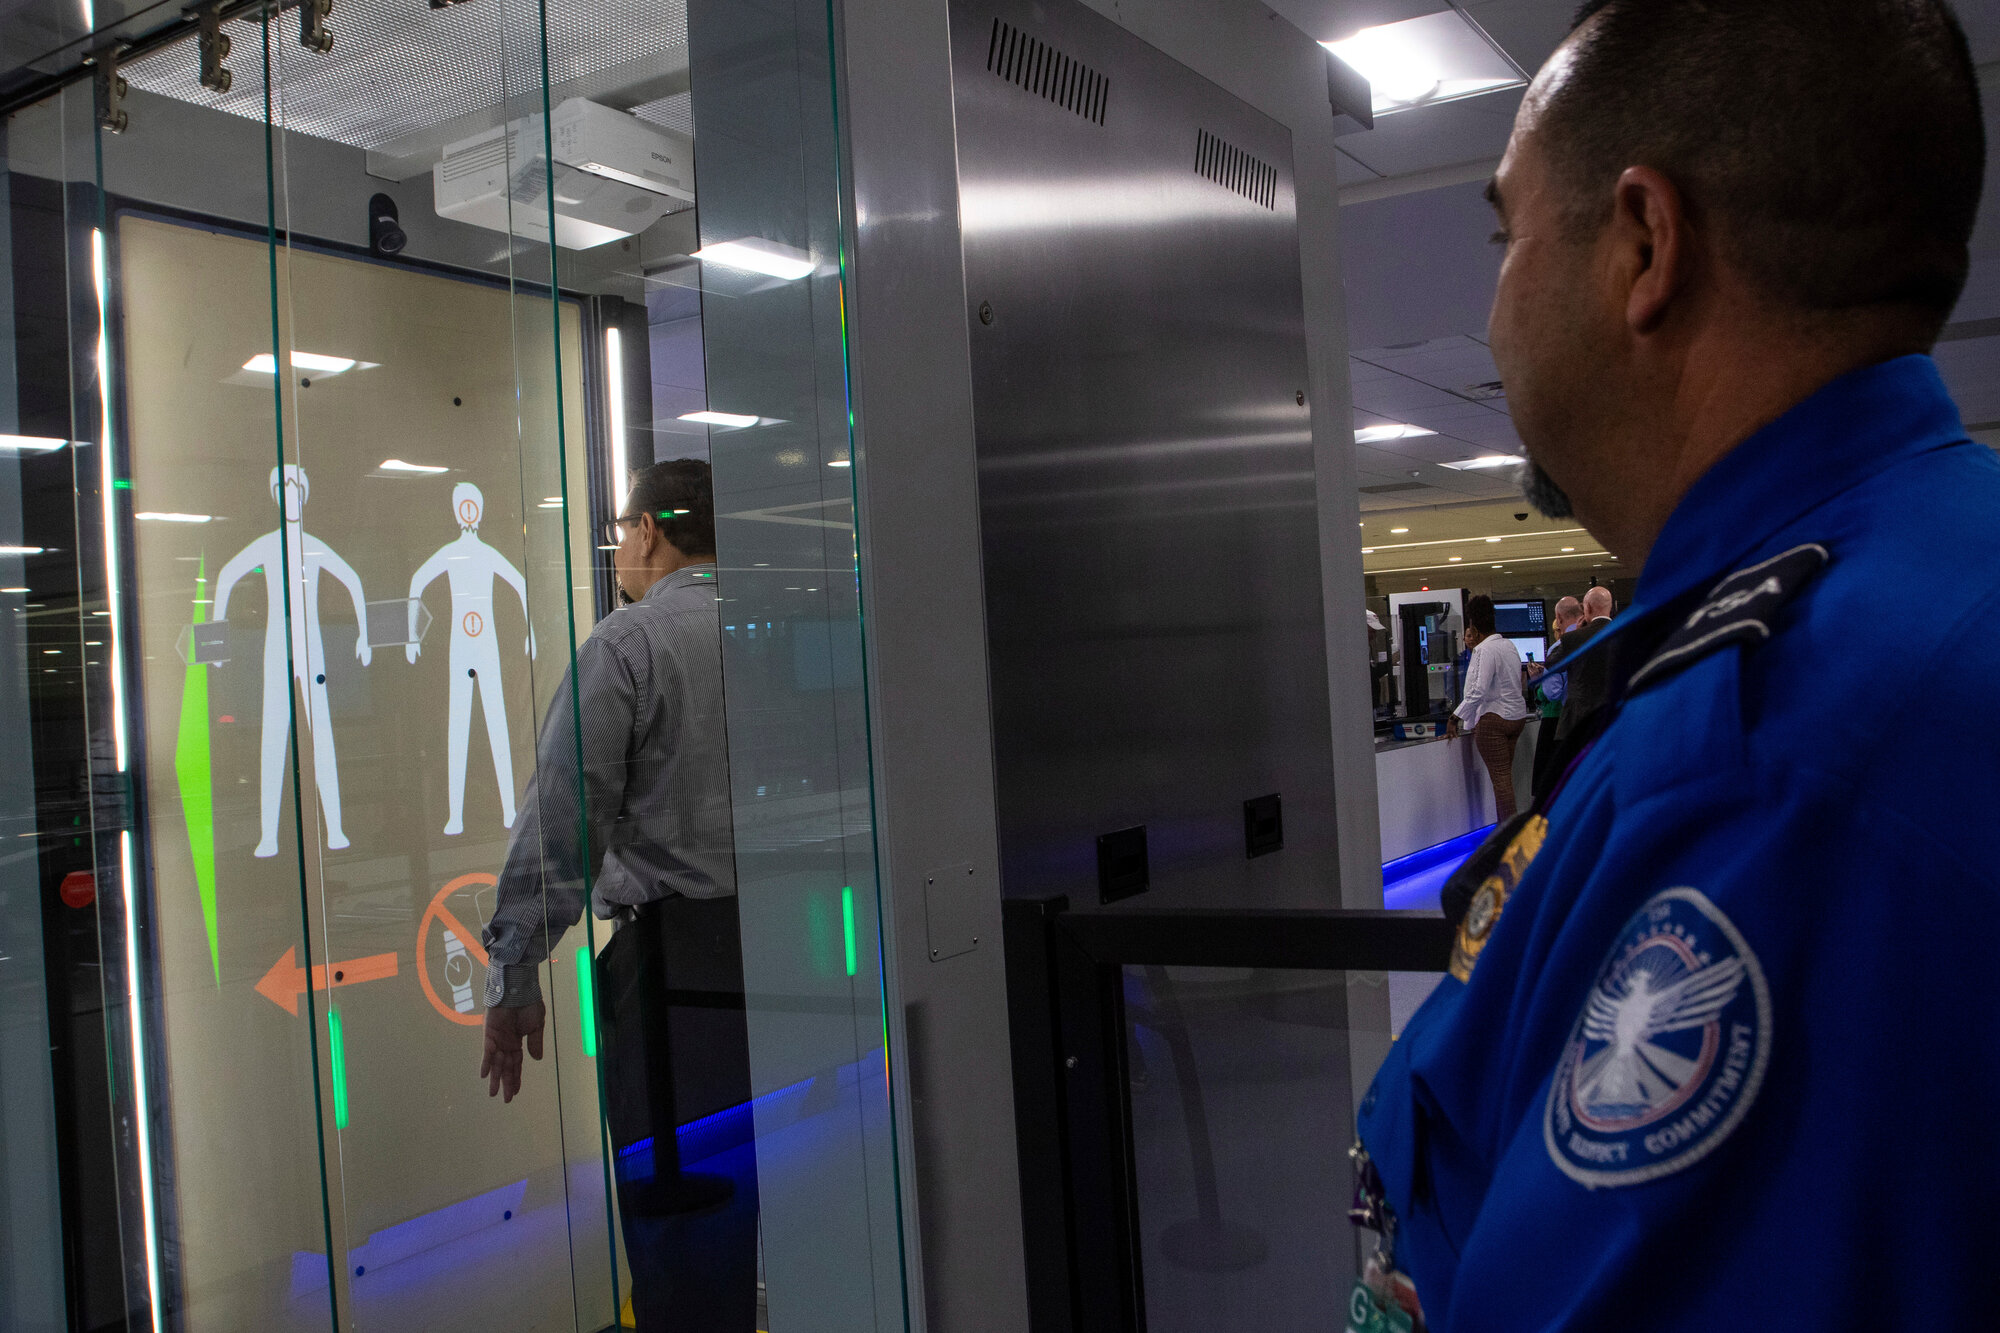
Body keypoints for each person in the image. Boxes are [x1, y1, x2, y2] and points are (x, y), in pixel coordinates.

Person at [1354, 1, 2000, 1329]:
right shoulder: (1942, 570)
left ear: (1645, 246)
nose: (1492, 306)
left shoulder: (1772, 769)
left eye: (1504, 233)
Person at [478, 460, 757, 1331]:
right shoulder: (770, 627)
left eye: (620, 534)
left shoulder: (628, 645)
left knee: (679, 1204)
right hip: (787, 946)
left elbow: (564, 818)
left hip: (671, 970)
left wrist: (514, 970)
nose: (619, 553)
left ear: (648, 531)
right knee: (769, 1168)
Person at [1446, 595, 1530, 821]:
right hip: (1516, 717)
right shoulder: (1508, 645)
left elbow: (1477, 691)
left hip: (1494, 720)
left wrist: (1456, 717)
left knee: (1501, 781)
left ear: (1473, 626)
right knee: (1505, 779)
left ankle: (1506, 836)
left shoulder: (1484, 650)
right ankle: (1507, 831)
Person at [1527, 595, 1585, 794]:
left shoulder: (1559, 648)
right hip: (1591, 720)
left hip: (1561, 722)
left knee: (1556, 783)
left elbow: (1553, 692)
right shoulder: (1594, 638)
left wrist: (1541, 678)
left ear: (1559, 618)